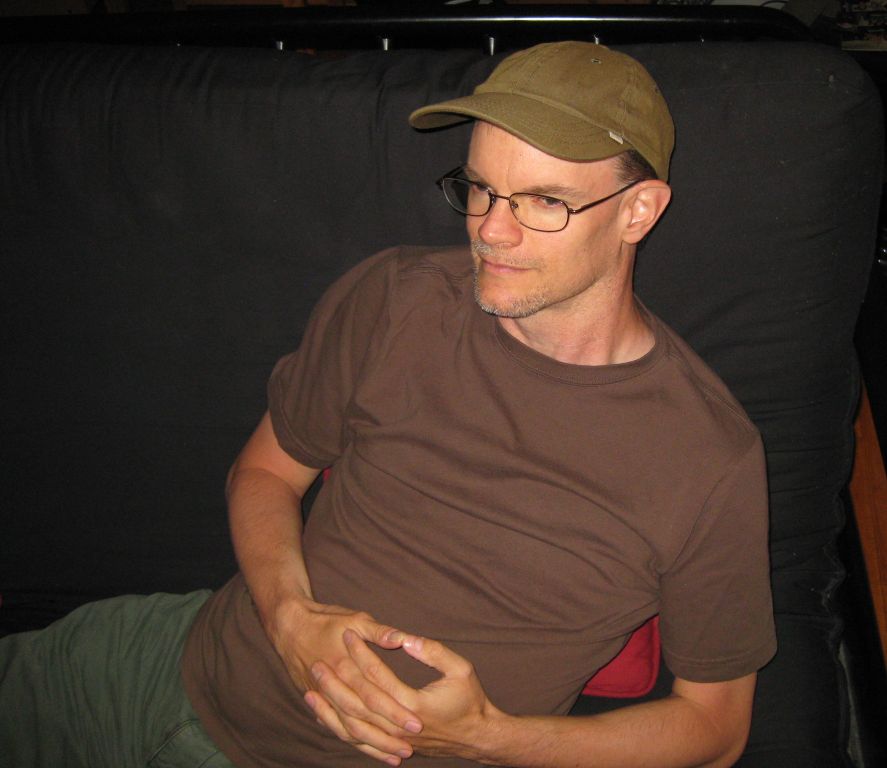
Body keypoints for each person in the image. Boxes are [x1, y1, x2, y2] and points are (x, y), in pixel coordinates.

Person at [0, 41, 776, 768]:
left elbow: (716, 726)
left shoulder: (706, 457)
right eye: (480, 188)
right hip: (164, 666)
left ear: (638, 211)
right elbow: (265, 473)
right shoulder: (397, 297)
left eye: (543, 201)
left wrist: (487, 735)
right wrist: (289, 619)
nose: (490, 231)